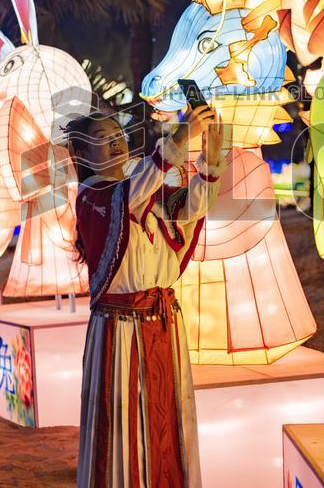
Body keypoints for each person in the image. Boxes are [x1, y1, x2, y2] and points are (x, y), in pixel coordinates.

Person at [68, 105, 224, 488]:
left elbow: (192, 207)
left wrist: (211, 156)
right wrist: (179, 139)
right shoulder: (93, 198)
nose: (117, 142)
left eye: (117, 135)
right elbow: (132, 194)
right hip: (119, 333)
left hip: (163, 325)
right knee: (122, 424)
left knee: (166, 418)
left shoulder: (140, 193)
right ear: (82, 156)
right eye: (103, 140)